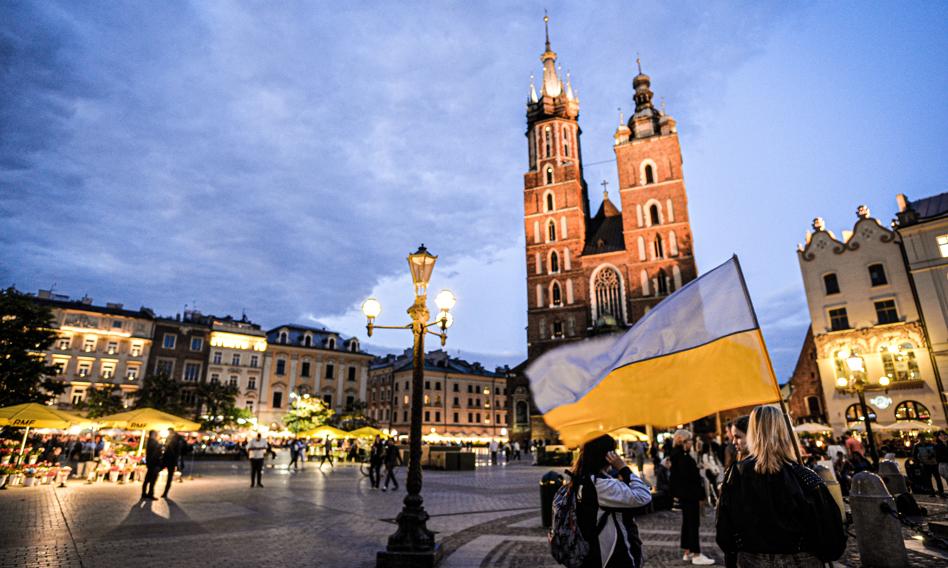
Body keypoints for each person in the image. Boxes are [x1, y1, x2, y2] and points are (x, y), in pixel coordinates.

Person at [717, 405, 846, 567]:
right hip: (800, 557)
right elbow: (829, 527)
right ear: (784, 432)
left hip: (753, 557)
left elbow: (724, 526)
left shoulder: (736, 474)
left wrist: (733, 553)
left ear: (752, 433)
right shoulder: (804, 476)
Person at [567, 434, 651, 568]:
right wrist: (623, 468)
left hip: (593, 552)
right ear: (607, 456)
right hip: (613, 555)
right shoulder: (601, 485)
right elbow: (643, 496)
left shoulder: (581, 479)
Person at [669, 429, 714, 565]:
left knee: (688, 523)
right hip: (690, 496)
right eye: (689, 440)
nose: (691, 443)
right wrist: (700, 495)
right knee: (693, 524)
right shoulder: (682, 457)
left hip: (686, 495)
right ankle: (696, 553)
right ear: (682, 441)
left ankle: (688, 551)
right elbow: (689, 479)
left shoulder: (678, 455)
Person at [698, 440, 724, 507]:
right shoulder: (705, 455)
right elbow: (708, 465)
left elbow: (712, 464)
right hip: (709, 472)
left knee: (713, 486)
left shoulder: (708, 455)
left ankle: (715, 500)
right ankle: (715, 500)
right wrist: (714, 471)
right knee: (713, 486)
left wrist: (716, 470)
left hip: (711, 471)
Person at [140, 430, 162, 500]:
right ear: (153, 434)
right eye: (155, 434)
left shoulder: (149, 441)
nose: (157, 435)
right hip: (154, 463)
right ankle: (150, 493)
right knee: (153, 479)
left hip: (150, 463)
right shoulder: (154, 442)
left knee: (147, 479)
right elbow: (157, 453)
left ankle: (144, 493)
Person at [160, 429, 182, 498]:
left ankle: (165, 493)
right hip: (169, 460)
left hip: (170, 460)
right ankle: (165, 493)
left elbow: (174, 452)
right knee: (169, 477)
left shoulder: (174, 440)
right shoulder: (172, 439)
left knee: (169, 477)